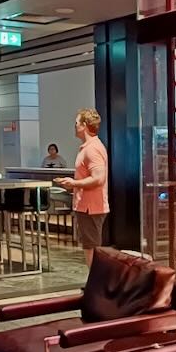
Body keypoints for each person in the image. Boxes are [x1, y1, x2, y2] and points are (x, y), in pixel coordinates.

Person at [55, 108, 109, 266]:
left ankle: (96, 283)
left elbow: (98, 178)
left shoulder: (92, 149)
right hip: (87, 207)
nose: (74, 126)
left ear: (84, 125)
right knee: (89, 246)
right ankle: (95, 282)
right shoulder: (89, 148)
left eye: (77, 123)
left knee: (91, 248)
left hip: (91, 208)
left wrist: (74, 183)